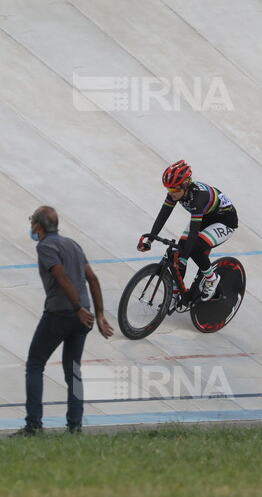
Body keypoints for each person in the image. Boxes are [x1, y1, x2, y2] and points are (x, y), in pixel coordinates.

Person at [14, 206, 113, 437]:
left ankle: (34, 426)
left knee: (35, 365)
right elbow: (93, 279)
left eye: (32, 222)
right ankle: (75, 426)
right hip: (83, 317)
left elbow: (61, 277)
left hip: (61, 313)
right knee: (73, 371)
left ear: (38, 226)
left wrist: (77, 307)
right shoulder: (73, 245)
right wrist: (97, 315)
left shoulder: (45, 246)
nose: (31, 226)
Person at [137, 160, 238, 302]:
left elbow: (194, 231)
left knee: (195, 249)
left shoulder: (197, 199)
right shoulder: (177, 192)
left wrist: (185, 256)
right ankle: (176, 292)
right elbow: (163, 215)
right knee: (178, 252)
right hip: (204, 217)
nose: (170, 194)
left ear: (185, 185)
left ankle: (212, 278)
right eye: (168, 190)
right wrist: (150, 240)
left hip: (224, 222)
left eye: (173, 190)